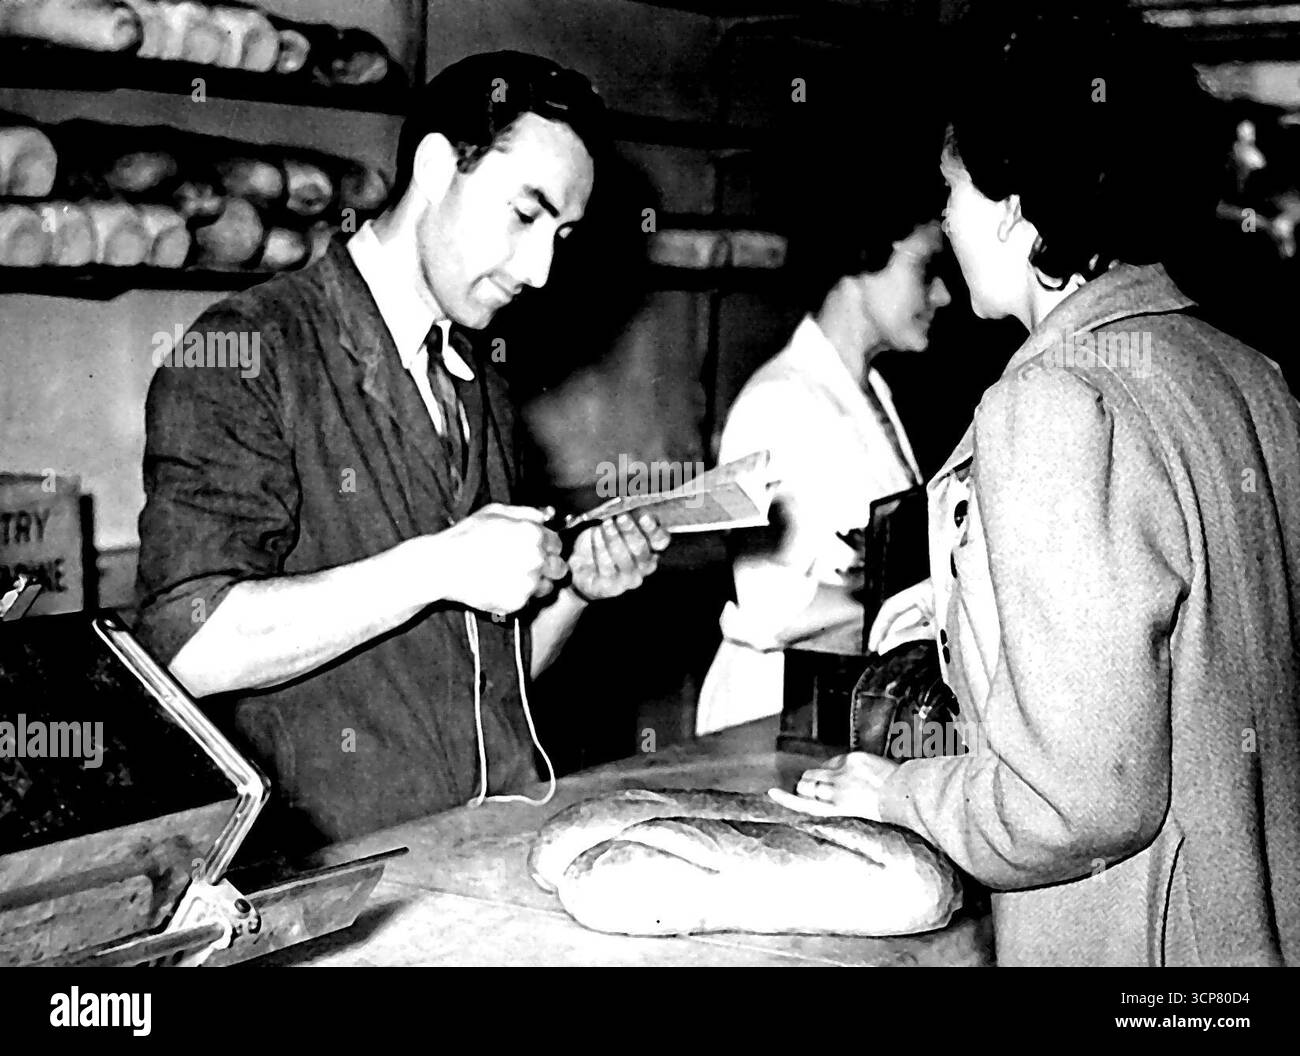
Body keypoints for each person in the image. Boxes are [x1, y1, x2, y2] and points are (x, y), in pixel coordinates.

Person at [789, 6, 1300, 966]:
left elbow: (1076, 795)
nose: (944, 220)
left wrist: (901, 793)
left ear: (1017, 212)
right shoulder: (1251, 375)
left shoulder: (1058, 403)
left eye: (952, 190)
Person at [134, 51, 670, 853]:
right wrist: (437, 565)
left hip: (483, 848)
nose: (540, 268)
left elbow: (479, 676)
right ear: (432, 165)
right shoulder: (251, 347)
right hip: (334, 874)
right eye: (525, 216)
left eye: (561, 234)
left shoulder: (473, 372)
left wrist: (575, 595)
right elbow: (188, 646)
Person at [694, 169, 951, 736]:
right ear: (862, 258)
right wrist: (917, 602)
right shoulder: (779, 401)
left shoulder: (873, 391)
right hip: (762, 718)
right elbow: (763, 600)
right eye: (927, 270)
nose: (944, 294)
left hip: (836, 710)